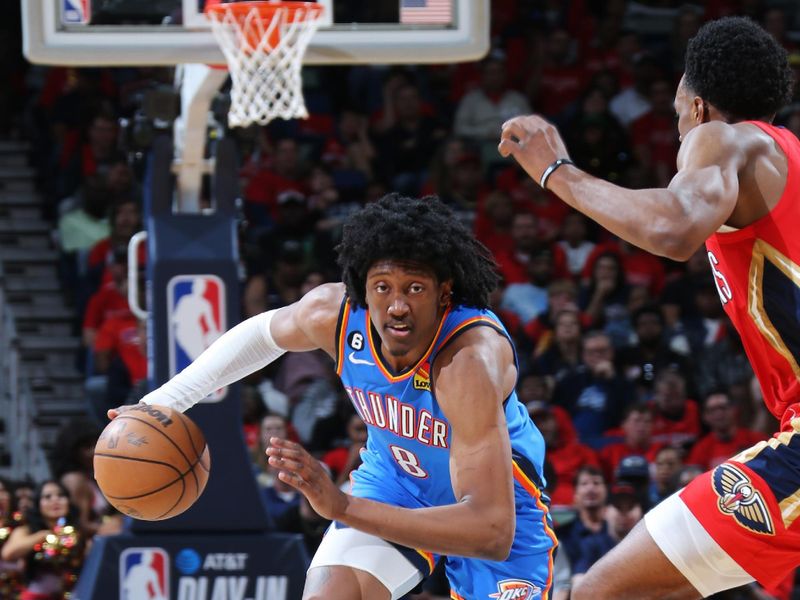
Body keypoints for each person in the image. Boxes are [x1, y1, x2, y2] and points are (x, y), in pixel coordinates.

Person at [110, 194, 557, 600]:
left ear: (444, 294)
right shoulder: (337, 316)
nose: (397, 305)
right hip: (397, 481)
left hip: (498, 510)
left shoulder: (467, 363)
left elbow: (491, 531)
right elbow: (262, 335)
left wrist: (342, 506)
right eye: (383, 288)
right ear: (363, 289)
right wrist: (164, 401)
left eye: (414, 289)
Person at [499, 15, 797, 599]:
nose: (680, 128)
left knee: (599, 592)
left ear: (700, 106)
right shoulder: (785, 159)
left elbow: (674, 228)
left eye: (679, 112)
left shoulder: (721, 139)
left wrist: (556, 173)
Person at [1, 480, 87, 599]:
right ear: (38, 504)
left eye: (61, 495)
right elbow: (8, 553)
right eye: (47, 496)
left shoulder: (77, 532)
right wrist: (44, 536)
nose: (55, 500)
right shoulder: (26, 530)